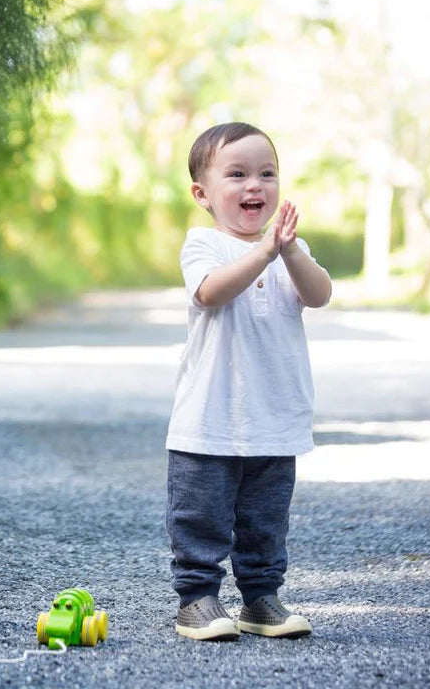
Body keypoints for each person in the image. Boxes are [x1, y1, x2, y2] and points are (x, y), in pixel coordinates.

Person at [165, 122, 332, 642]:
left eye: (267, 173)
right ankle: (197, 599)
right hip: (209, 420)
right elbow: (211, 293)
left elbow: (320, 293)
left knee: (265, 521)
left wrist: (289, 252)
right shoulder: (204, 245)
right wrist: (263, 253)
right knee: (201, 517)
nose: (254, 185)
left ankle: (261, 599)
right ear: (203, 194)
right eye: (236, 175)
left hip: (274, 419)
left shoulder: (288, 251)